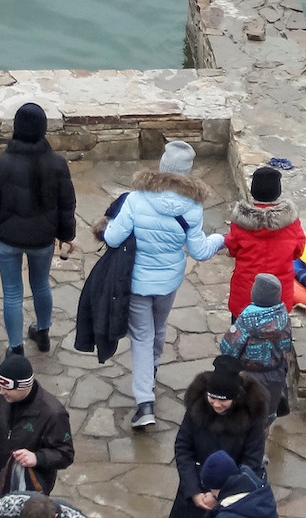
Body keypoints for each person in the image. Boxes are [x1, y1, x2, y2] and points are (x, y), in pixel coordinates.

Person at [103, 141, 223, 430]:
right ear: (188, 172)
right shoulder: (192, 207)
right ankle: (152, 371)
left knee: (141, 337)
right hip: (168, 283)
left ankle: (145, 402)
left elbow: (112, 238)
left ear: (162, 166)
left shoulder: (136, 199)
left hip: (136, 282)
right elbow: (199, 251)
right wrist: (220, 239)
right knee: (157, 329)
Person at [0, 101, 77, 353]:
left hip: (7, 239)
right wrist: (67, 235)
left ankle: (15, 348)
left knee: (12, 293)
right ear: (43, 130)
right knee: (41, 284)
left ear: (17, 128)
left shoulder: (0, 164)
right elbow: (67, 204)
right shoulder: (57, 164)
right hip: (42, 239)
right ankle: (42, 332)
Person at [169, 358, 269, 518]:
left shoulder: (252, 416)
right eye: (212, 397)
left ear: (236, 398)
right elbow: (183, 448)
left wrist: (217, 495)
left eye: (223, 400)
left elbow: (251, 461)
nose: (216, 404)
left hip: (232, 497)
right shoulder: (196, 407)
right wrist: (193, 490)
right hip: (195, 490)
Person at [0, 354, 73, 507]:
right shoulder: (1, 398)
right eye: (1, 386)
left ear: (23, 386)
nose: (1, 392)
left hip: (29, 490)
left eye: (6, 388)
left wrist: (37, 458)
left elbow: (65, 453)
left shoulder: (53, 413)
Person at [224, 165, 302, 317]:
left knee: (240, 327)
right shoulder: (291, 222)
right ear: (278, 191)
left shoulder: (240, 221)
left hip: (246, 291)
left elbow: (232, 247)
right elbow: (298, 250)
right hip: (279, 292)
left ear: (253, 190)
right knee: (276, 327)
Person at [219, 272, 294, 417]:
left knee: (248, 414)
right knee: (268, 413)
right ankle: (264, 430)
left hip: (249, 377)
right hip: (275, 374)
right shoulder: (283, 316)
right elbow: (286, 345)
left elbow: (228, 348)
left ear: (255, 293)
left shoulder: (247, 319)